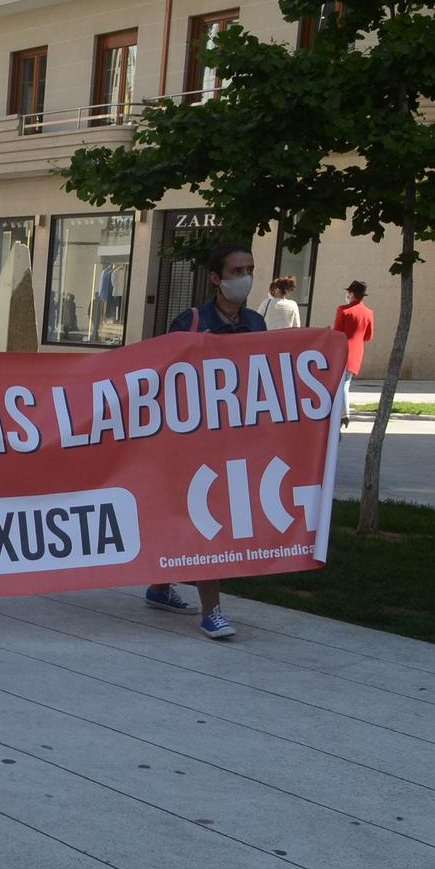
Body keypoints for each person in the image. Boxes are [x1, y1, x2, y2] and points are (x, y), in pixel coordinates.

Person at [145, 241, 267, 641]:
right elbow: (164, 376)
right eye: (236, 271)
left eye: (249, 269)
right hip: (192, 442)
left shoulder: (255, 323)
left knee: (204, 516)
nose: (244, 278)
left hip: (235, 439)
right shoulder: (192, 321)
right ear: (216, 278)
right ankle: (211, 610)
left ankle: (161, 586)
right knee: (207, 518)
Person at [333, 280, 375, 428]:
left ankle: (344, 413)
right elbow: (368, 336)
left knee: (342, 383)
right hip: (357, 351)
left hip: (343, 350)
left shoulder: (343, 310)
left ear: (351, 294)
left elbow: (337, 333)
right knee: (346, 382)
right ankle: (342, 412)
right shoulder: (369, 313)